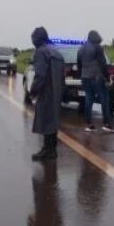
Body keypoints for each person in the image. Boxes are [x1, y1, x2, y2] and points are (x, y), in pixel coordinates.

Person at [29, 27, 65, 161]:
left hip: (46, 91)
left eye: (33, 38)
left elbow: (40, 74)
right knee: (53, 121)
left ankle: (47, 150)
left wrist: (33, 90)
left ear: (37, 39)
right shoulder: (57, 53)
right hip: (57, 91)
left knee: (45, 120)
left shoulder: (40, 52)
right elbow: (62, 76)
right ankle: (51, 150)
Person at [77, 30, 114, 133]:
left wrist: (82, 76)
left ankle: (89, 125)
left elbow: (79, 65)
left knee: (88, 99)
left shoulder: (81, 49)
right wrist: (107, 77)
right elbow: (103, 64)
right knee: (104, 100)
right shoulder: (97, 47)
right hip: (97, 77)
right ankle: (107, 124)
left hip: (85, 78)